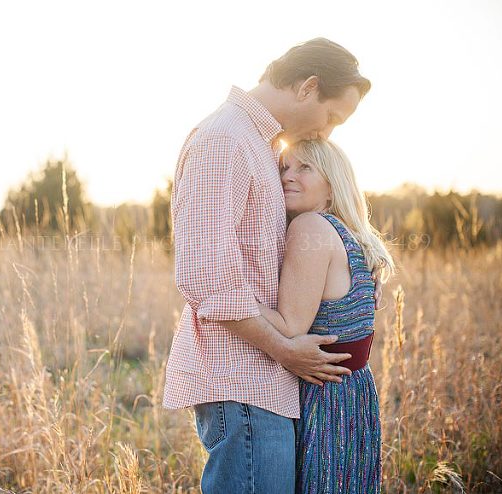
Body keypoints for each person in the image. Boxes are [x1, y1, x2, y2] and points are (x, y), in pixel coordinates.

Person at [162, 38, 379, 493]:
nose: (327, 133)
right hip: (241, 377)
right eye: (333, 117)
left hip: (263, 382)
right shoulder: (227, 139)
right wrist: (283, 349)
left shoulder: (260, 146)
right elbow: (204, 273)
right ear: (308, 87)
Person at [259, 139, 394, 493]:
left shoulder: (310, 226)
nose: (288, 176)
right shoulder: (353, 237)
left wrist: (228, 296)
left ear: (332, 182)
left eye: (304, 167)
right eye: (285, 167)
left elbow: (291, 327)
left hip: (324, 397)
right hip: (356, 393)